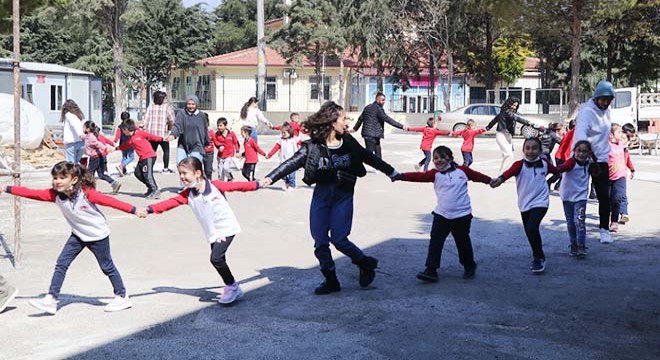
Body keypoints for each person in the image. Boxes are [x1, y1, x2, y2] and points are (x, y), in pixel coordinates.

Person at [261, 101, 400, 295]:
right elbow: (292, 162)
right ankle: (331, 280)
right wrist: (271, 177)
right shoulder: (313, 146)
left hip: (343, 196)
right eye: (344, 118)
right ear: (332, 122)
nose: (347, 122)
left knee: (339, 239)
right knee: (319, 241)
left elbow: (369, 157)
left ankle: (364, 262)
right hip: (322, 196)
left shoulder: (349, 142)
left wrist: (391, 172)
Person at [1, 161, 139, 315]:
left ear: (73, 180)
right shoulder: (54, 195)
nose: (57, 181)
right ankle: (51, 300)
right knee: (61, 263)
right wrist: (5, 188)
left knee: (107, 266)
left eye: (62, 177)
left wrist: (135, 210)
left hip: (98, 235)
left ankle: (122, 296)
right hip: (78, 235)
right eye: (55, 177)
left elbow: (113, 202)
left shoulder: (87, 194)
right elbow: (30, 192)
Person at [140, 157, 260, 305]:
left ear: (198, 173)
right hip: (212, 232)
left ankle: (232, 287)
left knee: (215, 258)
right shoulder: (187, 194)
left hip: (227, 227)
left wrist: (258, 184)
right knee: (219, 260)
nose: (182, 177)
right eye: (180, 173)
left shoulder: (215, 185)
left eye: (185, 173)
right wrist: (149, 209)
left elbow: (238, 186)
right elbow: (169, 203)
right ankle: (232, 287)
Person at [392, 146, 491, 282]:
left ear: (449, 158)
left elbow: (477, 176)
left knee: (462, 242)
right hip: (442, 215)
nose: (439, 161)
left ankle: (469, 266)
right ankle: (431, 270)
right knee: (435, 242)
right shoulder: (434, 174)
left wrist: (491, 181)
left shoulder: (462, 171)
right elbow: (418, 177)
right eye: (436, 158)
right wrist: (401, 176)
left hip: (462, 215)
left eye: (442, 157)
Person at [490, 137, 558, 274]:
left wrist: (549, 182)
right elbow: (506, 175)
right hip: (525, 202)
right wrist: (498, 181)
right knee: (529, 231)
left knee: (532, 227)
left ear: (540, 150)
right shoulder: (518, 165)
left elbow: (557, 171)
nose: (531, 151)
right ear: (523, 150)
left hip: (541, 201)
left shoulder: (544, 163)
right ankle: (536, 253)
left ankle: (539, 257)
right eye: (527, 148)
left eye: (534, 148)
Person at [573, 80, 616, 244]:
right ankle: (576, 227)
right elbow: (581, 133)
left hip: (602, 159)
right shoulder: (587, 112)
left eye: (608, 99)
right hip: (584, 158)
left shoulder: (608, 110)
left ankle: (604, 229)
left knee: (604, 196)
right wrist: (585, 152)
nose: (605, 102)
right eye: (603, 99)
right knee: (579, 195)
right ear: (596, 97)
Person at [559, 140, 596, 259]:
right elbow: (562, 168)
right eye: (578, 151)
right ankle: (573, 244)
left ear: (589, 153)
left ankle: (581, 246)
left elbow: (598, 173)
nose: (581, 154)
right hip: (567, 196)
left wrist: (595, 159)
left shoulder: (589, 164)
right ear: (574, 152)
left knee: (579, 221)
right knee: (570, 222)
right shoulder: (571, 162)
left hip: (580, 197)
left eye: (584, 151)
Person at [486, 97, 540, 173]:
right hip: (502, 135)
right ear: (509, 104)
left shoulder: (504, 112)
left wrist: (488, 127)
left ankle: (501, 174)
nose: (514, 107)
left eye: (515, 106)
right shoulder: (507, 112)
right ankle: (502, 175)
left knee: (507, 156)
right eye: (513, 105)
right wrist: (528, 122)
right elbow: (516, 118)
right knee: (508, 155)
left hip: (508, 136)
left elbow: (494, 120)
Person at [116, 119, 163, 199]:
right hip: (142, 158)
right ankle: (150, 188)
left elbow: (151, 136)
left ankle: (155, 191)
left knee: (147, 175)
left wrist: (162, 139)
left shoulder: (139, 133)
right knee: (137, 173)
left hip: (149, 156)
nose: (122, 132)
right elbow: (125, 145)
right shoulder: (131, 139)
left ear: (126, 129)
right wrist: (115, 148)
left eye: (123, 130)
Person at [352, 92, 407, 159]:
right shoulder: (378, 109)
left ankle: (382, 168)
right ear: (377, 100)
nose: (384, 102)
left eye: (384, 100)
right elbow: (387, 119)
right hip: (372, 135)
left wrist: (355, 129)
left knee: (378, 154)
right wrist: (401, 126)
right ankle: (354, 162)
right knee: (368, 155)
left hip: (371, 135)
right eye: (382, 100)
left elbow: (360, 119)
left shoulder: (367, 107)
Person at [165, 95, 210, 165]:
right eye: (189, 104)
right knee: (180, 164)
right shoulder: (182, 114)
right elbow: (177, 126)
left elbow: (205, 130)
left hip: (197, 146)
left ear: (196, 104)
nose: (191, 106)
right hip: (183, 145)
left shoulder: (201, 116)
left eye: (193, 104)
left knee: (194, 166)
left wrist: (207, 142)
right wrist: (173, 135)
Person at [608, 124, 635, 233]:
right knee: (608, 199)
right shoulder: (606, 145)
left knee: (618, 198)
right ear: (611, 135)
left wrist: (632, 169)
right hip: (608, 177)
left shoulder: (622, 145)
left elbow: (628, 159)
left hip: (620, 176)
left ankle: (614, 222)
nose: (622, 134)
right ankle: (606, 220)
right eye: (619, 132)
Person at [81, 120, 121, 193]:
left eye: (83, 127)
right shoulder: (89, 136)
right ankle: (114, 183)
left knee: (89, 174)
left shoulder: (91, 137)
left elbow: (98, 143)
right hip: (99, 157)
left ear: (88, 129)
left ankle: (90, 190)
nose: (82, 128)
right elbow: (84, 137)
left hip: (95, 158)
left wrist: (106, 148)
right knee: (101, 174)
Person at [142, 91, 175, 173]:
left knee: (151, 152)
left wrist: (144, 129)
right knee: (166, 151)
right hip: (163, 134)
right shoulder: (167, 107)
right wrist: (170, 127)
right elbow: (172, 120)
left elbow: (145, 120)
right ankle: (165, 168)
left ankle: (149, 167)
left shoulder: (151, 107)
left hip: (151, 134)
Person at [266, 123, 300, 190]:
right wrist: (269, 155)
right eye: (282, 133)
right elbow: (275, 148)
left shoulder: (294, 140)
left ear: (290, 132)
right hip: (283, 160)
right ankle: (287, 183)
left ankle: (292, 185)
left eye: (284, 133)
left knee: (292, 174)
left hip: (293, 160)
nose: (283, 134)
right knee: (282, 173)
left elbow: (302, 145)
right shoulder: (281, 140)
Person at [547, 119, 576, 190]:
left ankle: (558, 186)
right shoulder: (572, 133)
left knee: (564, 173)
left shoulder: (570, 134)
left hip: (563, 157)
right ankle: (549, 182)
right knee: (560, 173)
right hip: (561, 157)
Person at [214, 117, 240, 181]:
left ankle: (230, 177)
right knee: (220, 172)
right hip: (220, 156)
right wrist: (219, 146)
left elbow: (236, 142)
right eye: (218, 126)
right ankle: (221, 185)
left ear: (225, 126)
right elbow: (215, 142)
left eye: (220, 125)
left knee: (226, 168)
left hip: (229, 155)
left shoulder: (231, 134)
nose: (219, 127)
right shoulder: (217, 134)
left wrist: (237, 151)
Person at [61, 99, 86, 164]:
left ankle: (75, 174)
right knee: (77, 163)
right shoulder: (80, 115)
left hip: (71, 143)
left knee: (71, 164)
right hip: (82, 143)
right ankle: (80, 173)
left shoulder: (69, 115)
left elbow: (75, 125)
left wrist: (80, 134)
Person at [114, 112, 136, 177]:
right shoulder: (130, 125)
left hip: (122, 143)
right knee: (131, 157)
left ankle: (123, 170)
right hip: (129, 143)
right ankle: (122, 166)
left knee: (124, 156)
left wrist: (114, 141)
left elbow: (117, 135)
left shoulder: (120, 126)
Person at [203, 114, 216, 180]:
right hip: (199, 151)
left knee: (208, 170)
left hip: (209, 152)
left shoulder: (211, 132)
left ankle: (209, 183)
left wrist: (220, 146)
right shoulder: (198, 132)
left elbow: (216, 141)